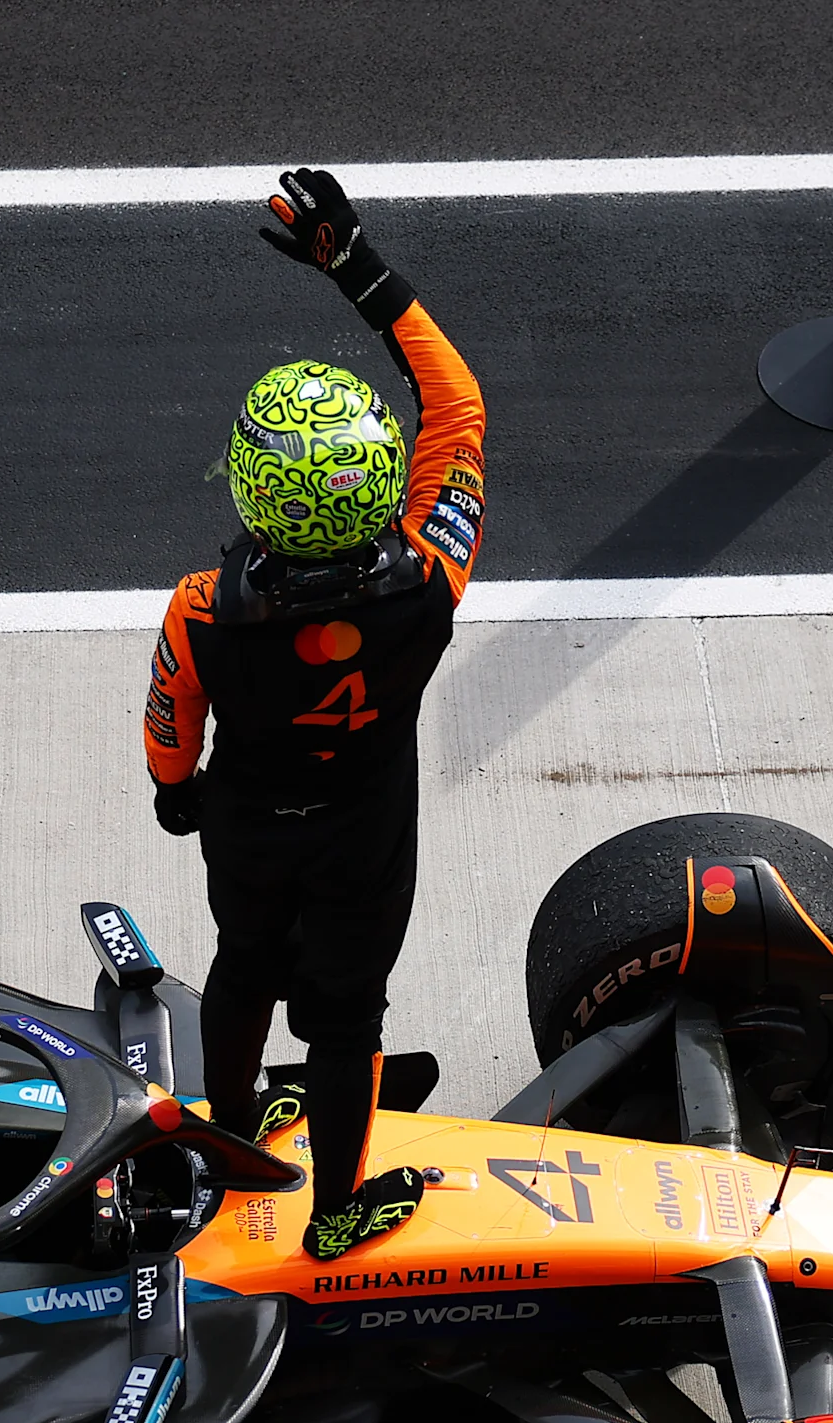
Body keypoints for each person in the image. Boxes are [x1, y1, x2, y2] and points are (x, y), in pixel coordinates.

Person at [142, 167, 486, 1263]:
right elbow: (458, 405)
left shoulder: (202, 608)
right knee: (345, 1020)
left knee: (241, 964)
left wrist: (173, 793)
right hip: (363, 833)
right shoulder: (434, 573)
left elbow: (166, 725)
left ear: (249, 488)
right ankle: (336, 1210)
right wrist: (355, 265)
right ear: (382, 481)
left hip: (247, 822)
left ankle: (235, 1134)